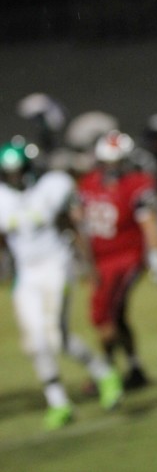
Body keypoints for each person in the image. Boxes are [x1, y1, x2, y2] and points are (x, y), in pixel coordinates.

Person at [0, 138, 123, 430]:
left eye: (19, 171)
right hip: (27, 273)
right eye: (10, 172)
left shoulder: (51, 188)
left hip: (56, 264)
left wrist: (88, 264)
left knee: (55, 336)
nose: (15, 178)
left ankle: (104, 373)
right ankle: (58, 402)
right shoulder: (3, 197)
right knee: (35, 341)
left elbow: (73, 224)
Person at [75, 130, 157, 391]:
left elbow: (149, 223)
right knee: (115, 317)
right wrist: (85, 261)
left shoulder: (137, 183)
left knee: (108, 315)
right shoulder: (88, 183)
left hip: (126, 258)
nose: (113, 168)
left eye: (118, 162)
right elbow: (80, 225)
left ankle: (104, 371)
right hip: (100, 260)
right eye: (109, 162)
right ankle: (134, 366)